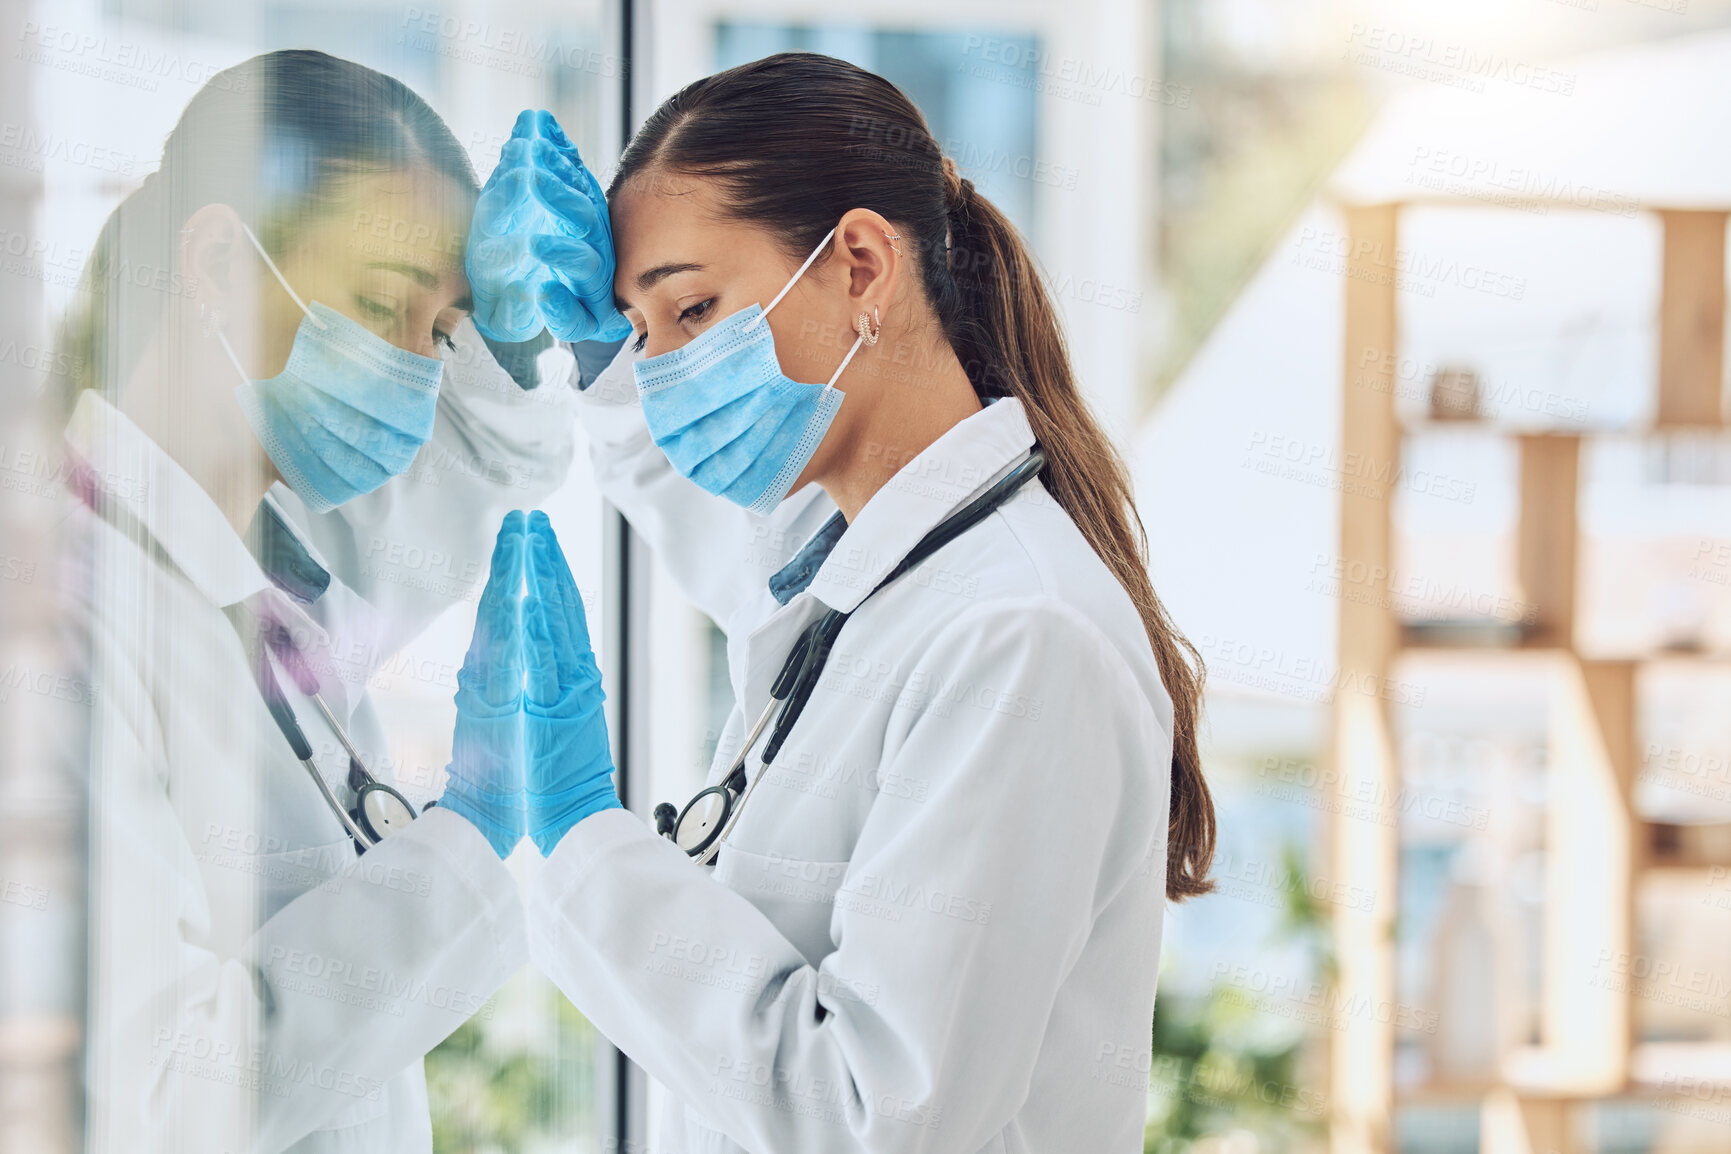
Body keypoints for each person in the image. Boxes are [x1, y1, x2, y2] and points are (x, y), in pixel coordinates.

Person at [470, 54, 1217, 1152]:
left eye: (693, 308)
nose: (668, 371)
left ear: (861, 262)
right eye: (643, 332)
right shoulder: (867, 569)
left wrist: (586, 843)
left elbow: (875, 1117)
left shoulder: (1017, 638)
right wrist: (603, 369)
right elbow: (744, 556)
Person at [47, 50, 578, 1152]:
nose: (417, 374)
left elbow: (489, 466)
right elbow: (159, 1100)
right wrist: (462, 853)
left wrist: (513, 336)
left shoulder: (274, 568)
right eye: (385, 305)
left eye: (436, 335)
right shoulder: (64, 619)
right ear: (216, 263)